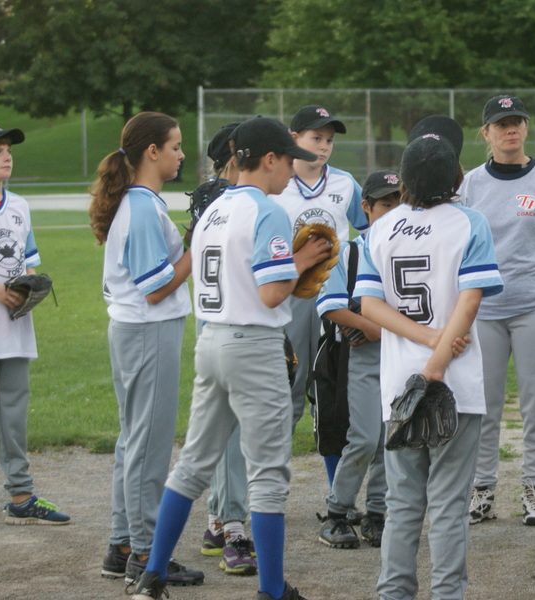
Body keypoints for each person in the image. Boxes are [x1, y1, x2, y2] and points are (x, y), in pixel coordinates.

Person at [130, 116, 331, 600]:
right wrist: (302, 262)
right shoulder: (267, 210)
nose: (293, 170)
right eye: (289, 160)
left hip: (212, 343)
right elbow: (271, 293)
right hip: (253, 346)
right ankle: (272, 591)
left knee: (192, 464)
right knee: (268, 474)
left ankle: (152, 575)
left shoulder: (215, 207)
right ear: (269, 160)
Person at [355, 125, 503, 600]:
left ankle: (393, 592)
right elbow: (469, 301)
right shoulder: (470, 223)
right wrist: (438, 356)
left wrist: (424, 340)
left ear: (404, 180)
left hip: (399, 384)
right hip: (454, 383)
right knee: (448, 505)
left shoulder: (380, 228)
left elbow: (370, 306)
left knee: (402, 503)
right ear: (456, 178)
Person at [88, 112, 201, 585]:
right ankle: (144, 553)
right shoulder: (140, 206)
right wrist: (198, 245)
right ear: (152, 152)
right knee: (149, 444)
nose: (181, 154)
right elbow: (155, 289)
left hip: (138, 330)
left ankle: (122, 545)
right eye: (174, 146)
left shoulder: (141, 202)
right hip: (148, 329)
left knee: (134, 438)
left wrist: (188, 240)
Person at [458, 94, 535, 526]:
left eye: (517, 121)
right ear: (486, 133)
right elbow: (459, 249)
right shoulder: (470, 185)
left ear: (526, 128)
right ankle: (482, 489)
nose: (511, 129)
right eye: (501, 123)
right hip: (484, 309)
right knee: (484, 404)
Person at [269, 105, 369, 487]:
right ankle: (270, 487)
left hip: (335, 298)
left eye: (329, 140)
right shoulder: (277, 185)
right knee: (287, 388)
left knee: (331, 391)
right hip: (289, 296)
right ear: (294, 138)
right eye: (316, 138)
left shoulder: (344, 183)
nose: (324, 146)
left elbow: (370, 229)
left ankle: (336, 491)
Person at [0, 123, 70, 525]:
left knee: (14, 418)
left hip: (14, 328)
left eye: (9, 150)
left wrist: (30, 286)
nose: (7, 156)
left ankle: (21, 495)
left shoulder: (19, 206)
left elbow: (28, 261)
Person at [184, 122, 260, 576]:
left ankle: (218, 519)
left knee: (222, 428)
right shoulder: (235, 201)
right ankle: (232, 525)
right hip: (231, 323)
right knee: (230, 430)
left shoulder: (215, 200)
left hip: (218, 323)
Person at [314, 170, 401, 549]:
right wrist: (373, 325)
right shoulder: (347, 252)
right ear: (366, 207)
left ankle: (377, 513)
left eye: (400, 203)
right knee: (364, 438)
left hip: (399, 357)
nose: (393, 211)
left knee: (390, 439)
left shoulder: (408, 248)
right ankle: (337, 512)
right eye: (385, 204)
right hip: (361, 358)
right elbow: (331, 307)